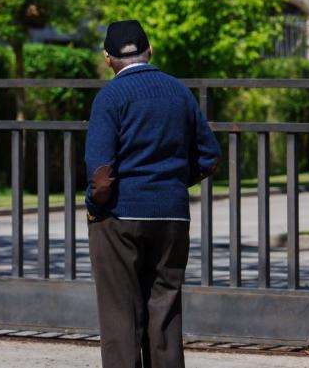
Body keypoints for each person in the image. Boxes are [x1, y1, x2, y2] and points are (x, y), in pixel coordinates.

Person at [85, 20, 221, 368]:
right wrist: (175, 182)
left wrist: (93, 207)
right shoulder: (179, 92)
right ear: (151, 51)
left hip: (121, 216)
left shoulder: (110, 97)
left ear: (107, 59)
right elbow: (210, 157)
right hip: (172, 215)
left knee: (121, 314)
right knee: (165, 307)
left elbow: (101, 177)